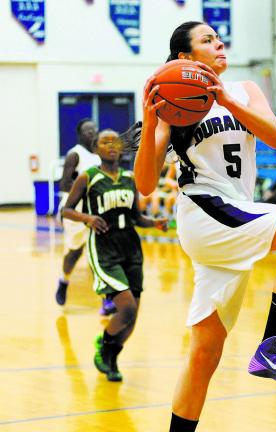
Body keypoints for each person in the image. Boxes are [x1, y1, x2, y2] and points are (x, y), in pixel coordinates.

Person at [133, 21, 276, 432]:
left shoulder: (246, 90)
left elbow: (275, 137)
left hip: (234, 214)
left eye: (219, 38)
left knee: (205, 353)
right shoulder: (172, 101)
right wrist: (150, 123)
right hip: (204, 210)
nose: (218, 44)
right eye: (207, 41)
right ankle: (274, 345)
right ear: (185, 59)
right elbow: (145, 185)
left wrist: (226, 100)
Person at [62, 129, 168, 382]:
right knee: (127, 309)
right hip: (104, 249)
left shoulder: (130, 178)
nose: (110, 145)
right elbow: (66, 210)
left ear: (121, 148)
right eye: (104, 142)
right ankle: (105, 343)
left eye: (115, 142)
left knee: (132, 319)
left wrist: (155, 223)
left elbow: (136, 217)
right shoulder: (88, 177)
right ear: (96, 149)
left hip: (131, 247)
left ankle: (110, 356)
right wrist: (86, 217)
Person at [55, 118, 117, 315]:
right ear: (80, 134)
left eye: (94, 129)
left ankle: (106, 300)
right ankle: (64, 280)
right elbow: (64, 184)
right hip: (75, 210)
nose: (92, 132)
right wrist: (85, 189)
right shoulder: (75, 154)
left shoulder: (100, 156)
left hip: (95, 211)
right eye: (88, 130)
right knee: (74, 252)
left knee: (99, 253)